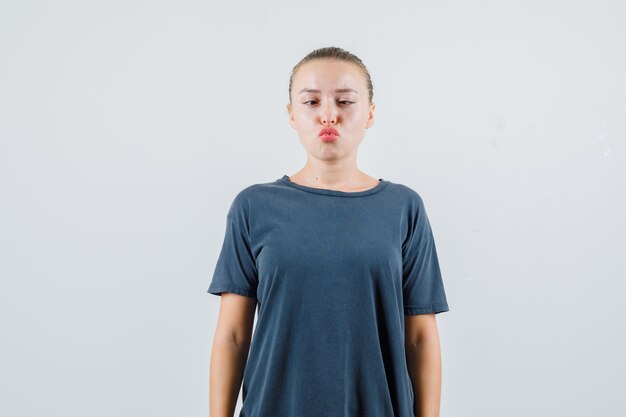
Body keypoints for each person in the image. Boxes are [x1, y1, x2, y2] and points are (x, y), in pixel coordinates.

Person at [207, 46, 450, 417]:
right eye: (311, 101)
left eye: (345, 101)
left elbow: (420, 337)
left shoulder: (403, 207)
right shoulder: (253, 206)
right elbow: (232, 336)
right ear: (292, 114)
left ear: (369, 114)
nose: (328, 115)